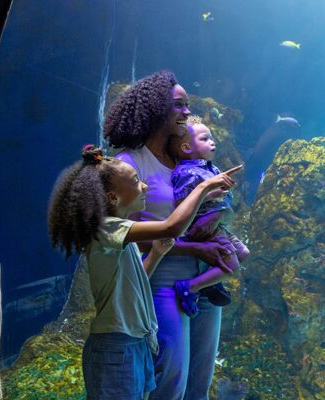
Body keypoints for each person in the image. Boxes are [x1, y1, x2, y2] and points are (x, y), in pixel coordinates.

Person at [47, 145, 238, 400]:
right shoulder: (106, 229)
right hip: (115, 347)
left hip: (134, 342)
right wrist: (203, 188)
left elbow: (136, 283)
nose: (144, 186)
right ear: (113, 198)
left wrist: (157, 253)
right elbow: (173, 226)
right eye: (137, 181)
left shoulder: (120, 236)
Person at [104, 70, 236, 399]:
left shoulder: (184, 159)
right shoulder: (130, 164)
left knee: (200, 379)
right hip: (162, 280)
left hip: (203, 279)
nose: (187, 111)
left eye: (187, 105)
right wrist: (194, 249)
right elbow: (127, 235)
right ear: (155, 108)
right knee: (171, 378)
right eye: (179, 104)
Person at [170, 116, 249, 317]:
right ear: (186, 147)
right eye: (205, 139)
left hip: (218, 225)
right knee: (231, 265)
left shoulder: (210, 169)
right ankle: (189, 287)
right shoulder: (186, 172)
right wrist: (209, 193)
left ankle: (209, 284)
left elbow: (223, 197)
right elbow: (181, 204)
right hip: (203, 226)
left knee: (243, 253)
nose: (212, 142)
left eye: (211, 137)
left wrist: (224, 191)